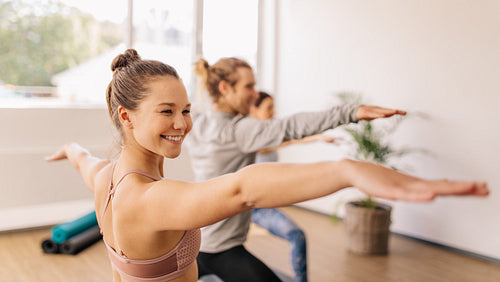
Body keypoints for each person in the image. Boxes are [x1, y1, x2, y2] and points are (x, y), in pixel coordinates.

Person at [45, 49, 488, 282]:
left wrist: (68, 147)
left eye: (186, 109)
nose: (183, 123)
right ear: (127, 116)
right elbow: (243, 188)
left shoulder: (106, 175)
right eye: (167, 111)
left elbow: (83, 159)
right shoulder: (150, 199)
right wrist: (345, 171)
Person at [187, 57, 488, 282]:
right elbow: (290, 126)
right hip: (221, 248)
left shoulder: (198, 123)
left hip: (197, 241)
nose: (255, 93)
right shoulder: (238, 130)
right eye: (249, 86)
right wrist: (348, 112)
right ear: (225, 88)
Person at [249, 91, 339, 282]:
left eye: (274, 107)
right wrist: (316, 137)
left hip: (262, 205)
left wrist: (318, 137)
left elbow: (287, 139)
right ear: (254, 109)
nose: (273, 112)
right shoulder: (251, 136)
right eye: (268, 107)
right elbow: (286, 140)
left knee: (297, 236)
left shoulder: (268, 133)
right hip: (247, 206)